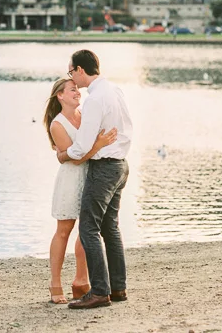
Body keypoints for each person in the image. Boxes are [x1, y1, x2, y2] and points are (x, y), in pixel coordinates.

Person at [57, 50, 133, 309]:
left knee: (88, 228)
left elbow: (81, 146)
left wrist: (63, 154)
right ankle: (118, 288)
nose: (72, 79)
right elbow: (126, 129)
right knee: (110, 228)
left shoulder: (95, 99)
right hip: (121, 164)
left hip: (103, 169)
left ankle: (100, 291)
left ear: (80, 70)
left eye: (71, 72)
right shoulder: (115, 90)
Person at [44, 77, 117, 304]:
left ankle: (81, 280)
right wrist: (98, 145)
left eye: (77, 89)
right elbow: (74, 159)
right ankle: (55, 283)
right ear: (60, 96)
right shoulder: (57, 124)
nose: (78, 92)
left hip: (90, 177)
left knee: (87, 230)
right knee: (64, 230)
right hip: (70, 180)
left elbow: (77, 153)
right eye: (72, 90)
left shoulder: (84, 116)